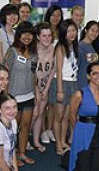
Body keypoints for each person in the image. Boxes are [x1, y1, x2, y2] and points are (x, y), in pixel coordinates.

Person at [3, 21, 37, 165]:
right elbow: (4, 73)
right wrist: (4, 97)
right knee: (12, 129)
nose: (27, 36)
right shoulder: (12, 51)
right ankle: (11, 156)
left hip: (29, 95)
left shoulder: (34, 54)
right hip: (13, 97)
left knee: (25, 126)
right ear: (19, 35)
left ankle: (22, 153)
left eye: (30, 33)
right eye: (24, 33)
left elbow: (33, 74)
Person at [69, 62, 99, 171]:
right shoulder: (79, 94)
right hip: (83, 134)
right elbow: (72, 116)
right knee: (83, 166)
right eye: (95, 73)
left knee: (98, 167)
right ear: (88, 76)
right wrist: (79, 131)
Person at [49, 19, 79, 155]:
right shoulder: (60, 46)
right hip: (61, 83)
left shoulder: (73, 45)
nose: (71, 33)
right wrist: (60, 90)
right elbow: (59, 69)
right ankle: (58, 144)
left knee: (67, 116)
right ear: (63, 32)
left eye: (73, 30)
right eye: (68, 31)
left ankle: (62, 140)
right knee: (58, 117)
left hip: (73, 82)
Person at [31, 22, 56, 150]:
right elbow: (31, 72)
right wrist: (36, 91)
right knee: (34, 113)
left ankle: (36, 140)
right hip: (32, 87)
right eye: (44, 36)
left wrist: (45, 90)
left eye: (49, 35)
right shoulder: (33, 50)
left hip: (44, 87)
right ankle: (23, 138)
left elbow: (53, 71)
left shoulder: (53, 50)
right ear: (38, 37)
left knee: (40, 113)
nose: (47, 38)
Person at [78, 21, 99, 88]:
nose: (94, 33)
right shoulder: (80, 46)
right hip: (82, 82)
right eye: (92, 30)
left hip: (91, 83)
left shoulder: (92, 46)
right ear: (86, 30)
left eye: (97, 31)